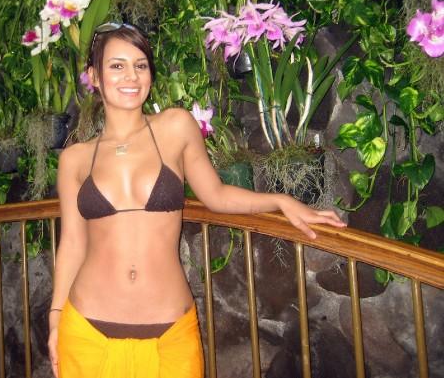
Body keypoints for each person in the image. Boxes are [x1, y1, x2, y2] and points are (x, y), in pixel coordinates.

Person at [47, 22, 346, 378]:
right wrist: (55, 319)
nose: (131, 76)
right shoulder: (75, 159)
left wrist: (281, 201)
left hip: (170, 334)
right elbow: (72, 244)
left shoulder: (175, 127)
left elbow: (216, 194)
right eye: (116, 65)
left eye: (140, 65)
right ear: (94, 76)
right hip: (87, 332)